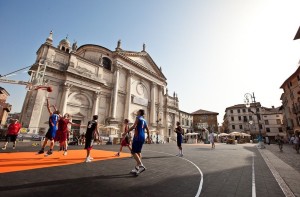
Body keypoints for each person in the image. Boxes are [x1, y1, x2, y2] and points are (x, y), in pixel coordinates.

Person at [127, 109, 150, 175]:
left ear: (140, 112)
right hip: (143, 137)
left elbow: (134, 126)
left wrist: (126, 131)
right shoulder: (144, 120)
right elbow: (148, 130)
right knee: (138, 152)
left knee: (133, 152)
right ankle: (137, 168)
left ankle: (141, 165)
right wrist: (148, 138)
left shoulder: (138, 118)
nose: (137, 112)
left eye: (137, 112)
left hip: (137, 137)